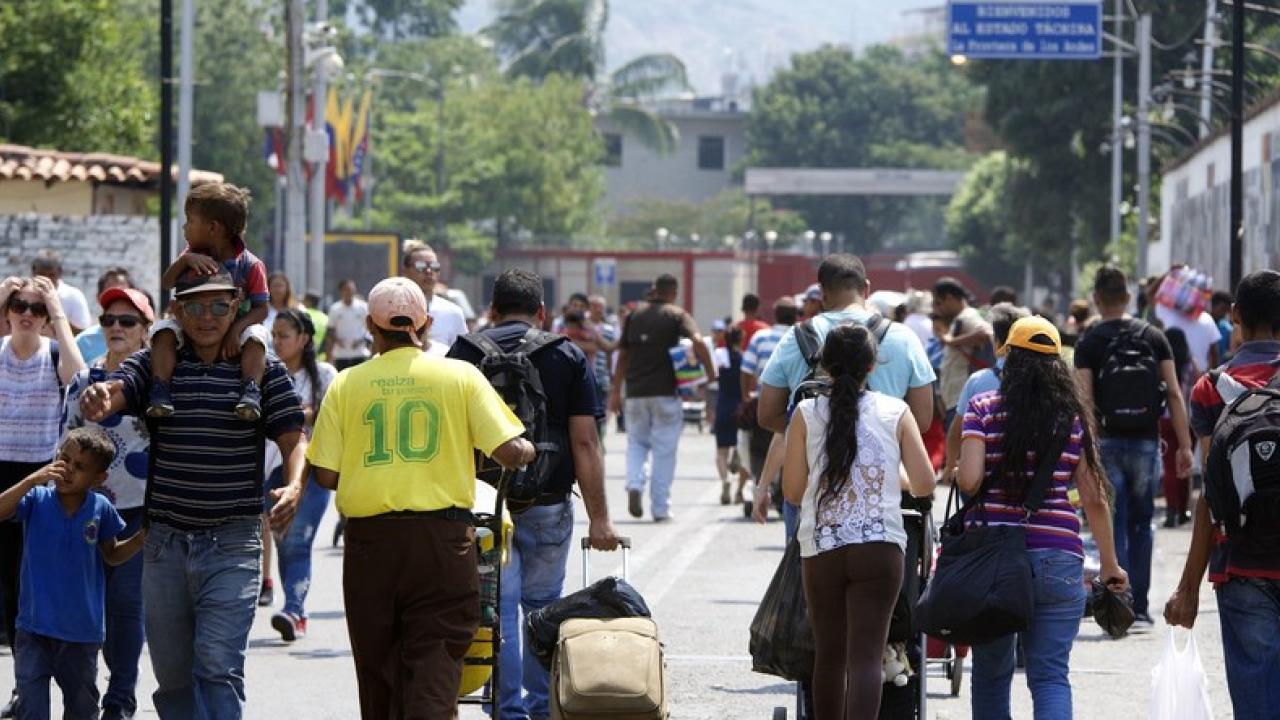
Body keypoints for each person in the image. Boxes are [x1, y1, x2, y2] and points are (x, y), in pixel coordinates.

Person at [78, 270, 308, 720]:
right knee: (175, 680)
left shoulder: (261, 366)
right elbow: (120, 390)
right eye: (196, 306)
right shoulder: (156, 362)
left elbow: (292, 436)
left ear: (238, 307)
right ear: (178, 311)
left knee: (217, 668)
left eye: (220, 306)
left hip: (233, 543)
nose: (208, 317)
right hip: (163, 545)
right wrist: (102, 397)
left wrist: (295, 482)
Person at [307, 277, 534, 719]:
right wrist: (526, 448)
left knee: (378, 666)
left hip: (370, 545)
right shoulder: (459, 376)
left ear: (371, 328)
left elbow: (326, 473)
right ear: (425, 324)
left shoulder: (348, 383)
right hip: (442, 541)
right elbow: (508, 450)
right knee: (435, 659)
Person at [448, 269, 620, 720]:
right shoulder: (566, 354)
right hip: (547, 502)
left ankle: (506, 712)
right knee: (542, 608)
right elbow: (585, 441)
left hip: (483, 505)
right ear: (542, 312)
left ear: (492, 309)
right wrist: (600, 519)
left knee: (499, 610)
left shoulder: (464, 353)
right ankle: (541, 707)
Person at [958, 316, 1127, 719]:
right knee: (1050, 676)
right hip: (1058, 559)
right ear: (1057, 364)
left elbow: (969, 481)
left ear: (1009, 359)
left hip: (993, 561)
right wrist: (1109, 563)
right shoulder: (1072, 419)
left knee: (991, 674)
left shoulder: (983, 408)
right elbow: (1094, 499)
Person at [781, 324, 936, 720]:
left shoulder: (805, 413)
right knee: (867, 657)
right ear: (872, 365)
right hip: (880, 547)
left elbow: (793, 492)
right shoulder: (895, 411)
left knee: (829, 656)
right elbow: (924, 483)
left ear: (825, 367)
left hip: (822, 549)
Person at [1165, 270, 1280, 717]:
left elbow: (1211, 497)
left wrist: (1188, 588)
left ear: (1235, 316)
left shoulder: (1211, 387)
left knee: (1256, 701)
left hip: (1241, 562)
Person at [757, 255, 935, 537]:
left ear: (823, 292)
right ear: (866, 288)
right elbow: (923, 419)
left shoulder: (796, 338)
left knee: (807, 572)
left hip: (812, 487)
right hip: (883, 486)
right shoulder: (904, 337)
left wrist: (815, 428)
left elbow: (766, 414)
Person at [1073, 266, 1193, 624]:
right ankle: (1139, 607)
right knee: (1143, 522)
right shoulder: (1154, 337)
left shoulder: (1090, 342)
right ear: (1127, 297)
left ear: (1097, 299)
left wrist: (1087, 449)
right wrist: (1185, 446)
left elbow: (1084, 398)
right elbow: (1173, 391)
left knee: (1114, 520)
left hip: (1107, 441)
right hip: (1145, 441)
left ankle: (1118, 601)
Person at [0, 428, 145, 720]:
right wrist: (31, 479)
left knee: (81, 708)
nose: (67, 470)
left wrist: (141, 538)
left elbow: (112, 553)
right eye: (64, 459)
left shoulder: (100, 508)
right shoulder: (37, 499)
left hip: (81, 633)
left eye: (80, 467)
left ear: (99, 479)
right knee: (31, 707)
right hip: (33, 628)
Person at [60, 286, 154, 720]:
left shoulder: (157, 388)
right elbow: (63, 450)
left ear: (145, 332)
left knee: (125, 607)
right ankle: (82, 698)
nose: (116, 328)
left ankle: (120, 698)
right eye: (109, 320)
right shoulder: (82, 383)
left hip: (136, 512)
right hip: (87, 512)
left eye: (127, 321)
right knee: (82, 608)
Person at [0, 274, 87, 717]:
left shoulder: (54, 352)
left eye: (36, 309)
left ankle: (23, 686)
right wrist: (1, 297)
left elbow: (79, 374)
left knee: (24, 589)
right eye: (19, 305)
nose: (27, 315)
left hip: (40, 479)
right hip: (0, 479)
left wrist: (57, 311)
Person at [148, 182, 271, 422]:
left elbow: (262, 309)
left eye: (190, 221)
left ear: (213, 227)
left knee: (258, 337)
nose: (185, 227)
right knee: (163, 331)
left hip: (236, 329)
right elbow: (166, 283)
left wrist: (236, 330)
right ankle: (160, 388)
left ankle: (250, 391)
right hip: (194, 325)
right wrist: (184, 262)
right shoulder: (192, 255)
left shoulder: (250, 266)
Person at [608, 274, 715, 522]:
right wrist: (710, 374)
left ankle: (634, 484)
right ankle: (660, 508)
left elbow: (623, 354)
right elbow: (698, 341)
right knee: (664, 451)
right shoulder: (676, 315)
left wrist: (616, 391)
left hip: (635, 392)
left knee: (636, 443)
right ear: (674, 292)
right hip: (666, 393)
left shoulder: (634, 315)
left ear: (655, 290)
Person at [261, 309, 337, 642]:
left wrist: (302, 414)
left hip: (313, 473)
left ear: (304, 339)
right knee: (281, 539)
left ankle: (294, 609)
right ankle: (294, 610)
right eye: (273, 336)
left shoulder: (325, 374)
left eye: (283, 335)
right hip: (268, 469)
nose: (276, 342)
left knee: (299, 540)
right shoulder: (263, 372)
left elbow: (331, 415)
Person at [941, 303, 1029, 485]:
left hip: (982, 478)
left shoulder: (978, 380)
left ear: (997, 342)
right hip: (1028, 476)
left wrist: (950, 466)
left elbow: (957, 431)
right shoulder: (1045, 379)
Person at [933, 277, 993, 429]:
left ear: (950, 298)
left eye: (939, 303)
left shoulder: (968, 316)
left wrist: (950, 341)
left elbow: (985, 333)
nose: (938, 309)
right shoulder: (960, 318)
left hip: (961, 399)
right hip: (955, 399)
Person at [401, 239, 467, 348]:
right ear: (405, 271)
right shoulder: (393, 309)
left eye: (434, 266)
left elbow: (462, 353)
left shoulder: (453, 312)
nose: (428, 271)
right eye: (421, 266)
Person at [713, 327, 751, 505]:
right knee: (743, 447)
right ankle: (736, 454)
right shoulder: (744, 358)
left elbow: (714, 375)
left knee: (721, 452)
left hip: (723, 405)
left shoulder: (720, 355)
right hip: (739, 407)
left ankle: (725, 480)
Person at [74, 268, 133, 364]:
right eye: (112, 295)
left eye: (123, 295)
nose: (116, 327)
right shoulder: (82, 342)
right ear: (98, 298)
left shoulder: (149, 340)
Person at [30, 250, 91, 335]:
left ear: (60, 272)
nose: (46, 280)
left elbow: (83, 334)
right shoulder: (23, 295)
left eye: (51, 275)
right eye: (42, 275)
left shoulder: (73, 296)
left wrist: (54, 321)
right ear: (33, 272)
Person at [323, 279, 370, 371]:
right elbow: (330, 331)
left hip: (360, 353)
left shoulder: (363, 307)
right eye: (347, 289)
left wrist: (362, 339)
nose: (349, 292)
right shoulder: (335, 309)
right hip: (341, 355)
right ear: (341, 291)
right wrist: (335, 343)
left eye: (351, 289)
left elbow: (370, 327)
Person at [1210, 289, 1234, 359]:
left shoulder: (1227, 329)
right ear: (1213, 305)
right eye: (1222, 309)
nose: (1224, 314)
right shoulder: (1204, 325)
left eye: (1226, 310)